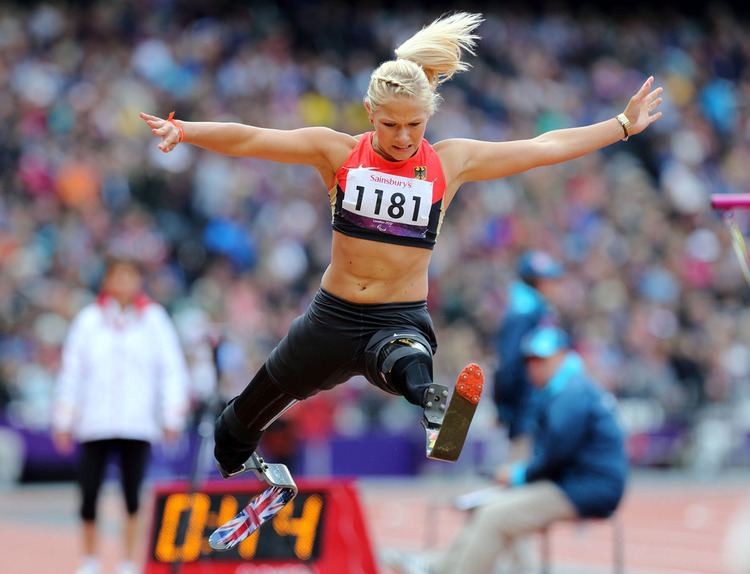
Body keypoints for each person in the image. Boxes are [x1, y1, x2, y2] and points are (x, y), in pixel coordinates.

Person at [140, 11, 662, 480]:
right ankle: (241, 459)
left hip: (399, 314)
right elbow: (253, 138)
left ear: (429, 115)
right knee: (242, 418)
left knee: (407, 361)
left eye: (415, 124)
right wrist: (184, 131)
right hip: (331, 318)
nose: (404, 136)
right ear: (370, 112)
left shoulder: (449, 162)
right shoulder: (338, 153)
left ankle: (436, 408)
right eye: (390, 124)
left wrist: (619, 125)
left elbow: (541, 147)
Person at [391, 325, 628, 574]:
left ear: (563, 356)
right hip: (573, 482)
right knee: (487, 509)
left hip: (586, 489)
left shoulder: (572, 393)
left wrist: (519, 476)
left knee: (494, 517)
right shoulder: (565, 389)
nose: (534, 368)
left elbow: (556, 454)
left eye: (542, 360)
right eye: (531, 361)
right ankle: (438, 567)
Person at [52, 256, 190, 574]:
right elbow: (72, 371)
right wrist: (64, 418)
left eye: (130, 276)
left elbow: (171, 370)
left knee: (132, 494)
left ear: (139, 281)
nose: (124, 284)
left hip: (136, 421)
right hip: (94, 421)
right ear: (107, 281)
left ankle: (129, 560)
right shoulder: (89, 320)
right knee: (88, 493)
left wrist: (171, 417)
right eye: (118, 276)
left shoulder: (154, 320)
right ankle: (89, 559)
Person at [494, 250, 564, 462]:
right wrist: (506, 408)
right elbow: (510, 366)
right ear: (537, 283)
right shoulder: (525, 313)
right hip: (526, 413)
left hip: (531, 411)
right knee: (522, 473)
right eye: (549, 280)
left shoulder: (532, 310)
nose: (555, 286)